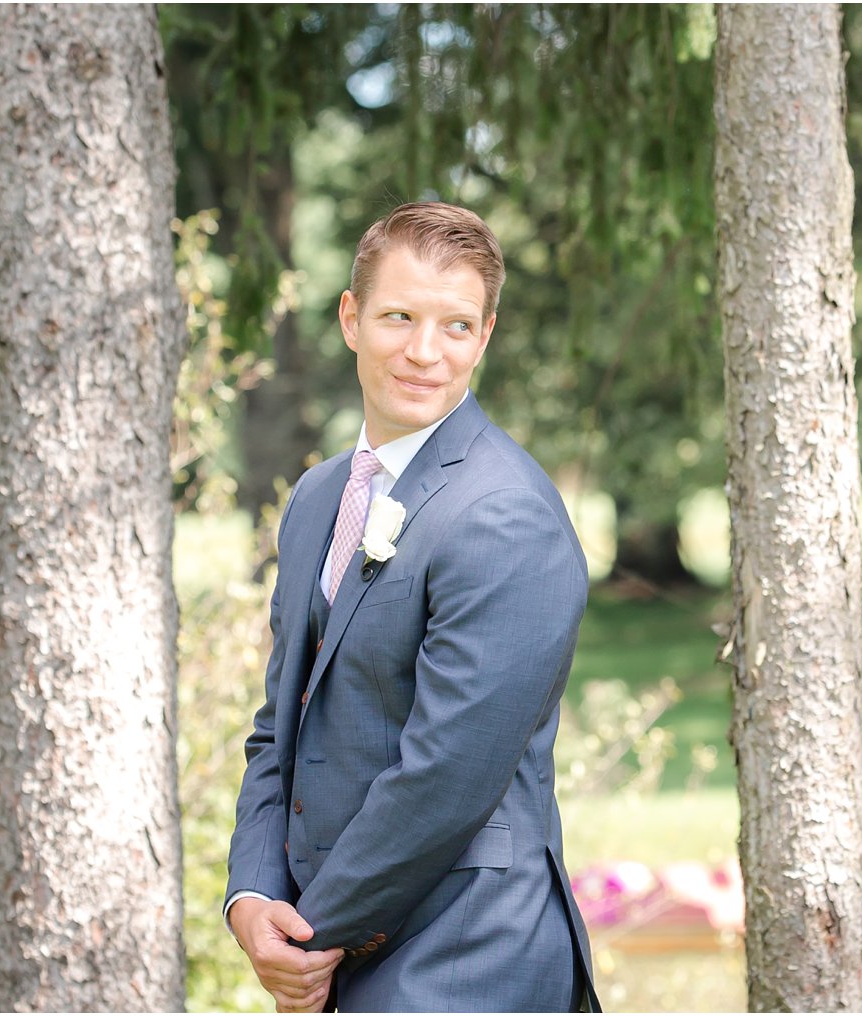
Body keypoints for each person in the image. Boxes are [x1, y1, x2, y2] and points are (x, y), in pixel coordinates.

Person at [225, 202, 600, 1013]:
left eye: (456, 326)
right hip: (337, 951)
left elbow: (448, 778)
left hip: (467, 957)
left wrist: (309, 936)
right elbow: (280, 724)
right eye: (399, 317)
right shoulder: (320, 496)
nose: (425, 353)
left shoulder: (505, 513)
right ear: (351, 318)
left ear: (485, 336)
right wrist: (252, 899)